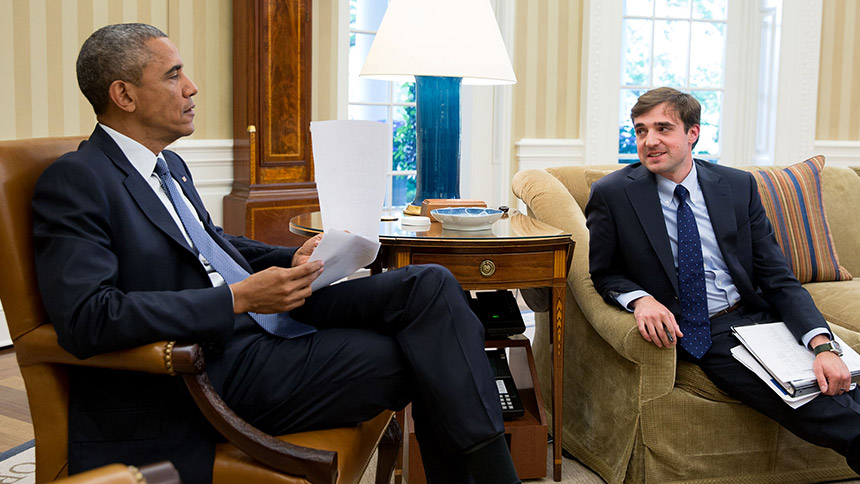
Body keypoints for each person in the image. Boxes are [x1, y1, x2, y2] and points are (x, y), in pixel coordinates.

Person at [31, 23, 519, 484]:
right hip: (211, 364)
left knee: (428, 283)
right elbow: (87, 317)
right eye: (173, 75)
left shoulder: (169, 165)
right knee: (426, 352)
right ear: (124, 95)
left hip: (263, 322)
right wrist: (238, 300)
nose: (192, 87)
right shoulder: (77, 180)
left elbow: (213, 245)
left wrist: (292, 258)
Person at [585, 86, 860, 472]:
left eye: (663, 128)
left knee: (846, 384)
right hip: (702, 330)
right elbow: (604, 271)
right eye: (641, 130)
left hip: (757, 316)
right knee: (815, 406)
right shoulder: (613, 194)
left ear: (692, 133)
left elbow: (777, 277)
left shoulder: (736, 186)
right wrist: (640, 299)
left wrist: (822, 345)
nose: (650, 141)